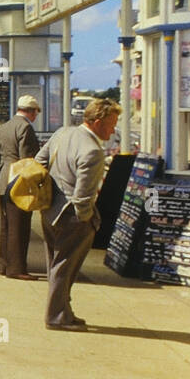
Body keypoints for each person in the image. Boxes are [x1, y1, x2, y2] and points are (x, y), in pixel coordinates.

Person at [35, 97, 121, 331]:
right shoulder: (93, 151)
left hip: (49, 209)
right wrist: (87, 219)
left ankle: (64, 311)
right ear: (96, 121)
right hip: (73, 216)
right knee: (65, 267)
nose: (113, 130)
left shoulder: (62, 133)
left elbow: (38, 162)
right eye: (111, 124)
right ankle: (56, 317)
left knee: (55, 264)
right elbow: (84, 196)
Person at [0, 94, 41, 280]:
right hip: (18, 181)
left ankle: (3, 264)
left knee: (6, 225)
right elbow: (27, 160)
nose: (36, 116)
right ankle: (17, 268)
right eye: (36, 112)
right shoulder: (25, 127)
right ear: (31, 111)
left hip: (3, 179)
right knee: (19, 226)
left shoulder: (4, 127)